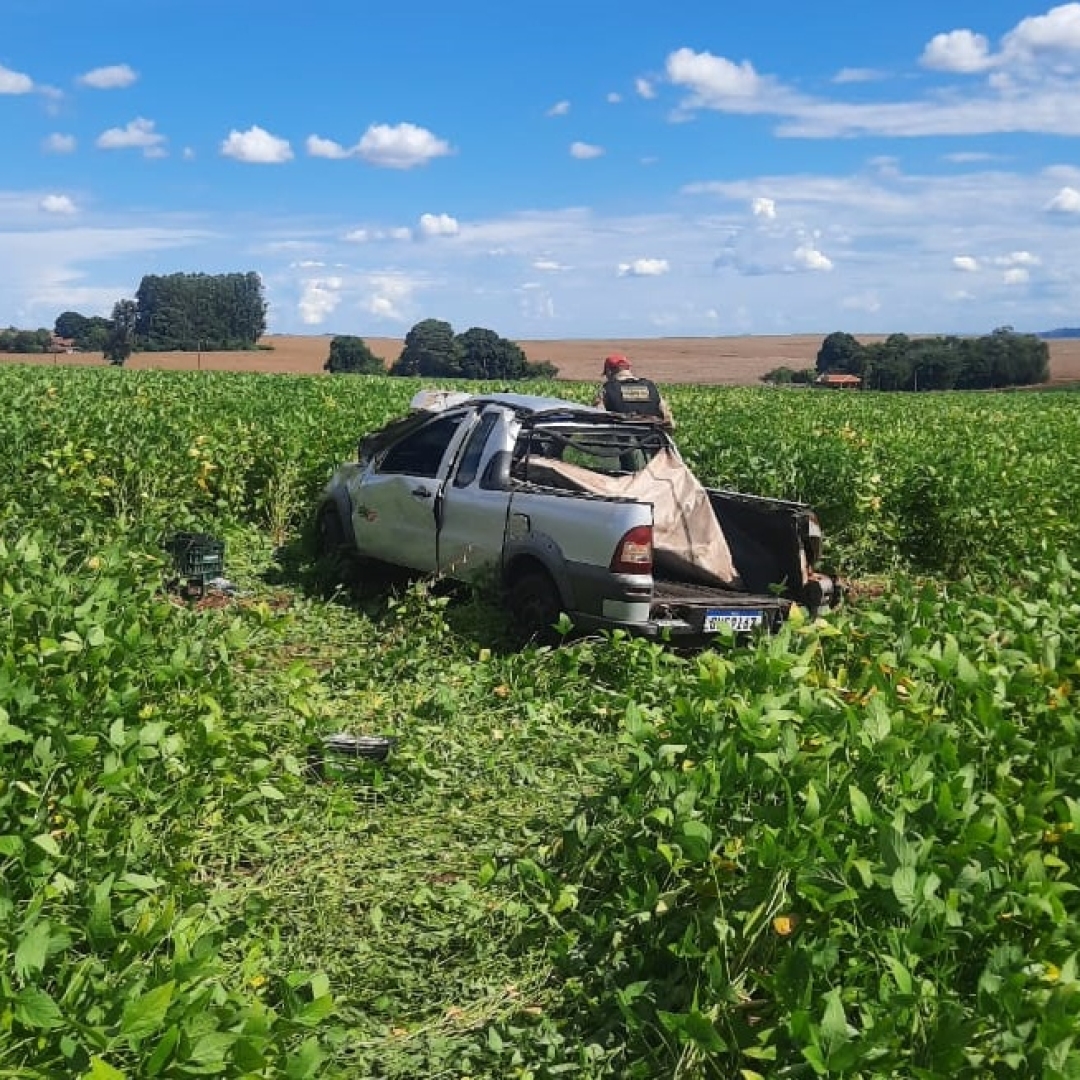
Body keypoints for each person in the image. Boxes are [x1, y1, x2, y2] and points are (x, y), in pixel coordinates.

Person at [593, 353, 675, 431]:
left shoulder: (607, 389)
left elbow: (598, 417)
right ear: (628, 368)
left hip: (620, 441)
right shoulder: (650, 386)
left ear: (609, 371)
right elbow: (668, 420)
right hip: (651, 441)